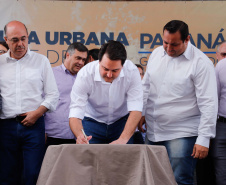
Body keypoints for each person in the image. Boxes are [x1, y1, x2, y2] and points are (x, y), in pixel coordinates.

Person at [141, 20, 218, 185]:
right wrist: (141, 113)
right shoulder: (155, 54)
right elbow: (146, 87)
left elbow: (209, 103)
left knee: (179, 180)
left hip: (182, 133)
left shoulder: (201, 63)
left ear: (187, 39)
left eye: (174, 44)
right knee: (152, 179)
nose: (169, 48)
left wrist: (204, 138)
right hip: (153, 131)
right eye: (165, 42)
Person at [0, 21, 59, 185]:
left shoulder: (41, 61)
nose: (20, 44)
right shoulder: (0, 63)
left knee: (32, 175)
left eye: (23, 38)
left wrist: (38, 113)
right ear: (6, 39)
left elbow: (53, 94)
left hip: (34, 126)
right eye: (14, 40)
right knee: (6, 175)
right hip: (5, 127)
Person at [69, 40, 143, 144]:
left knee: (124, 159)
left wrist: (123, 139)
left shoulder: (132, 71)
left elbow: (136, 108)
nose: (109, 75)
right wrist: (80, 135)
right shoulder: (85, 74)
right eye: (105, 68)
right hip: (91, 122)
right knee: (89, 158)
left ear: (123, 66)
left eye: (114, 70)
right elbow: (75, 111)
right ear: (99, 61)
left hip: (121, 123)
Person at [45, 42, 88, 146]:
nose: (81, 62)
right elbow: (42, 103)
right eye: (78, 58)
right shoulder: (51, 74)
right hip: (55, 136)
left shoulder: (86, 78)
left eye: (83, 60)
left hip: (81, 137)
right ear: (67, 55)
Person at [209, 41, 226, 185]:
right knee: (221, 174)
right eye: (224, 54)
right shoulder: (221, 66)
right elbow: (214, 98)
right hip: (222, 125)